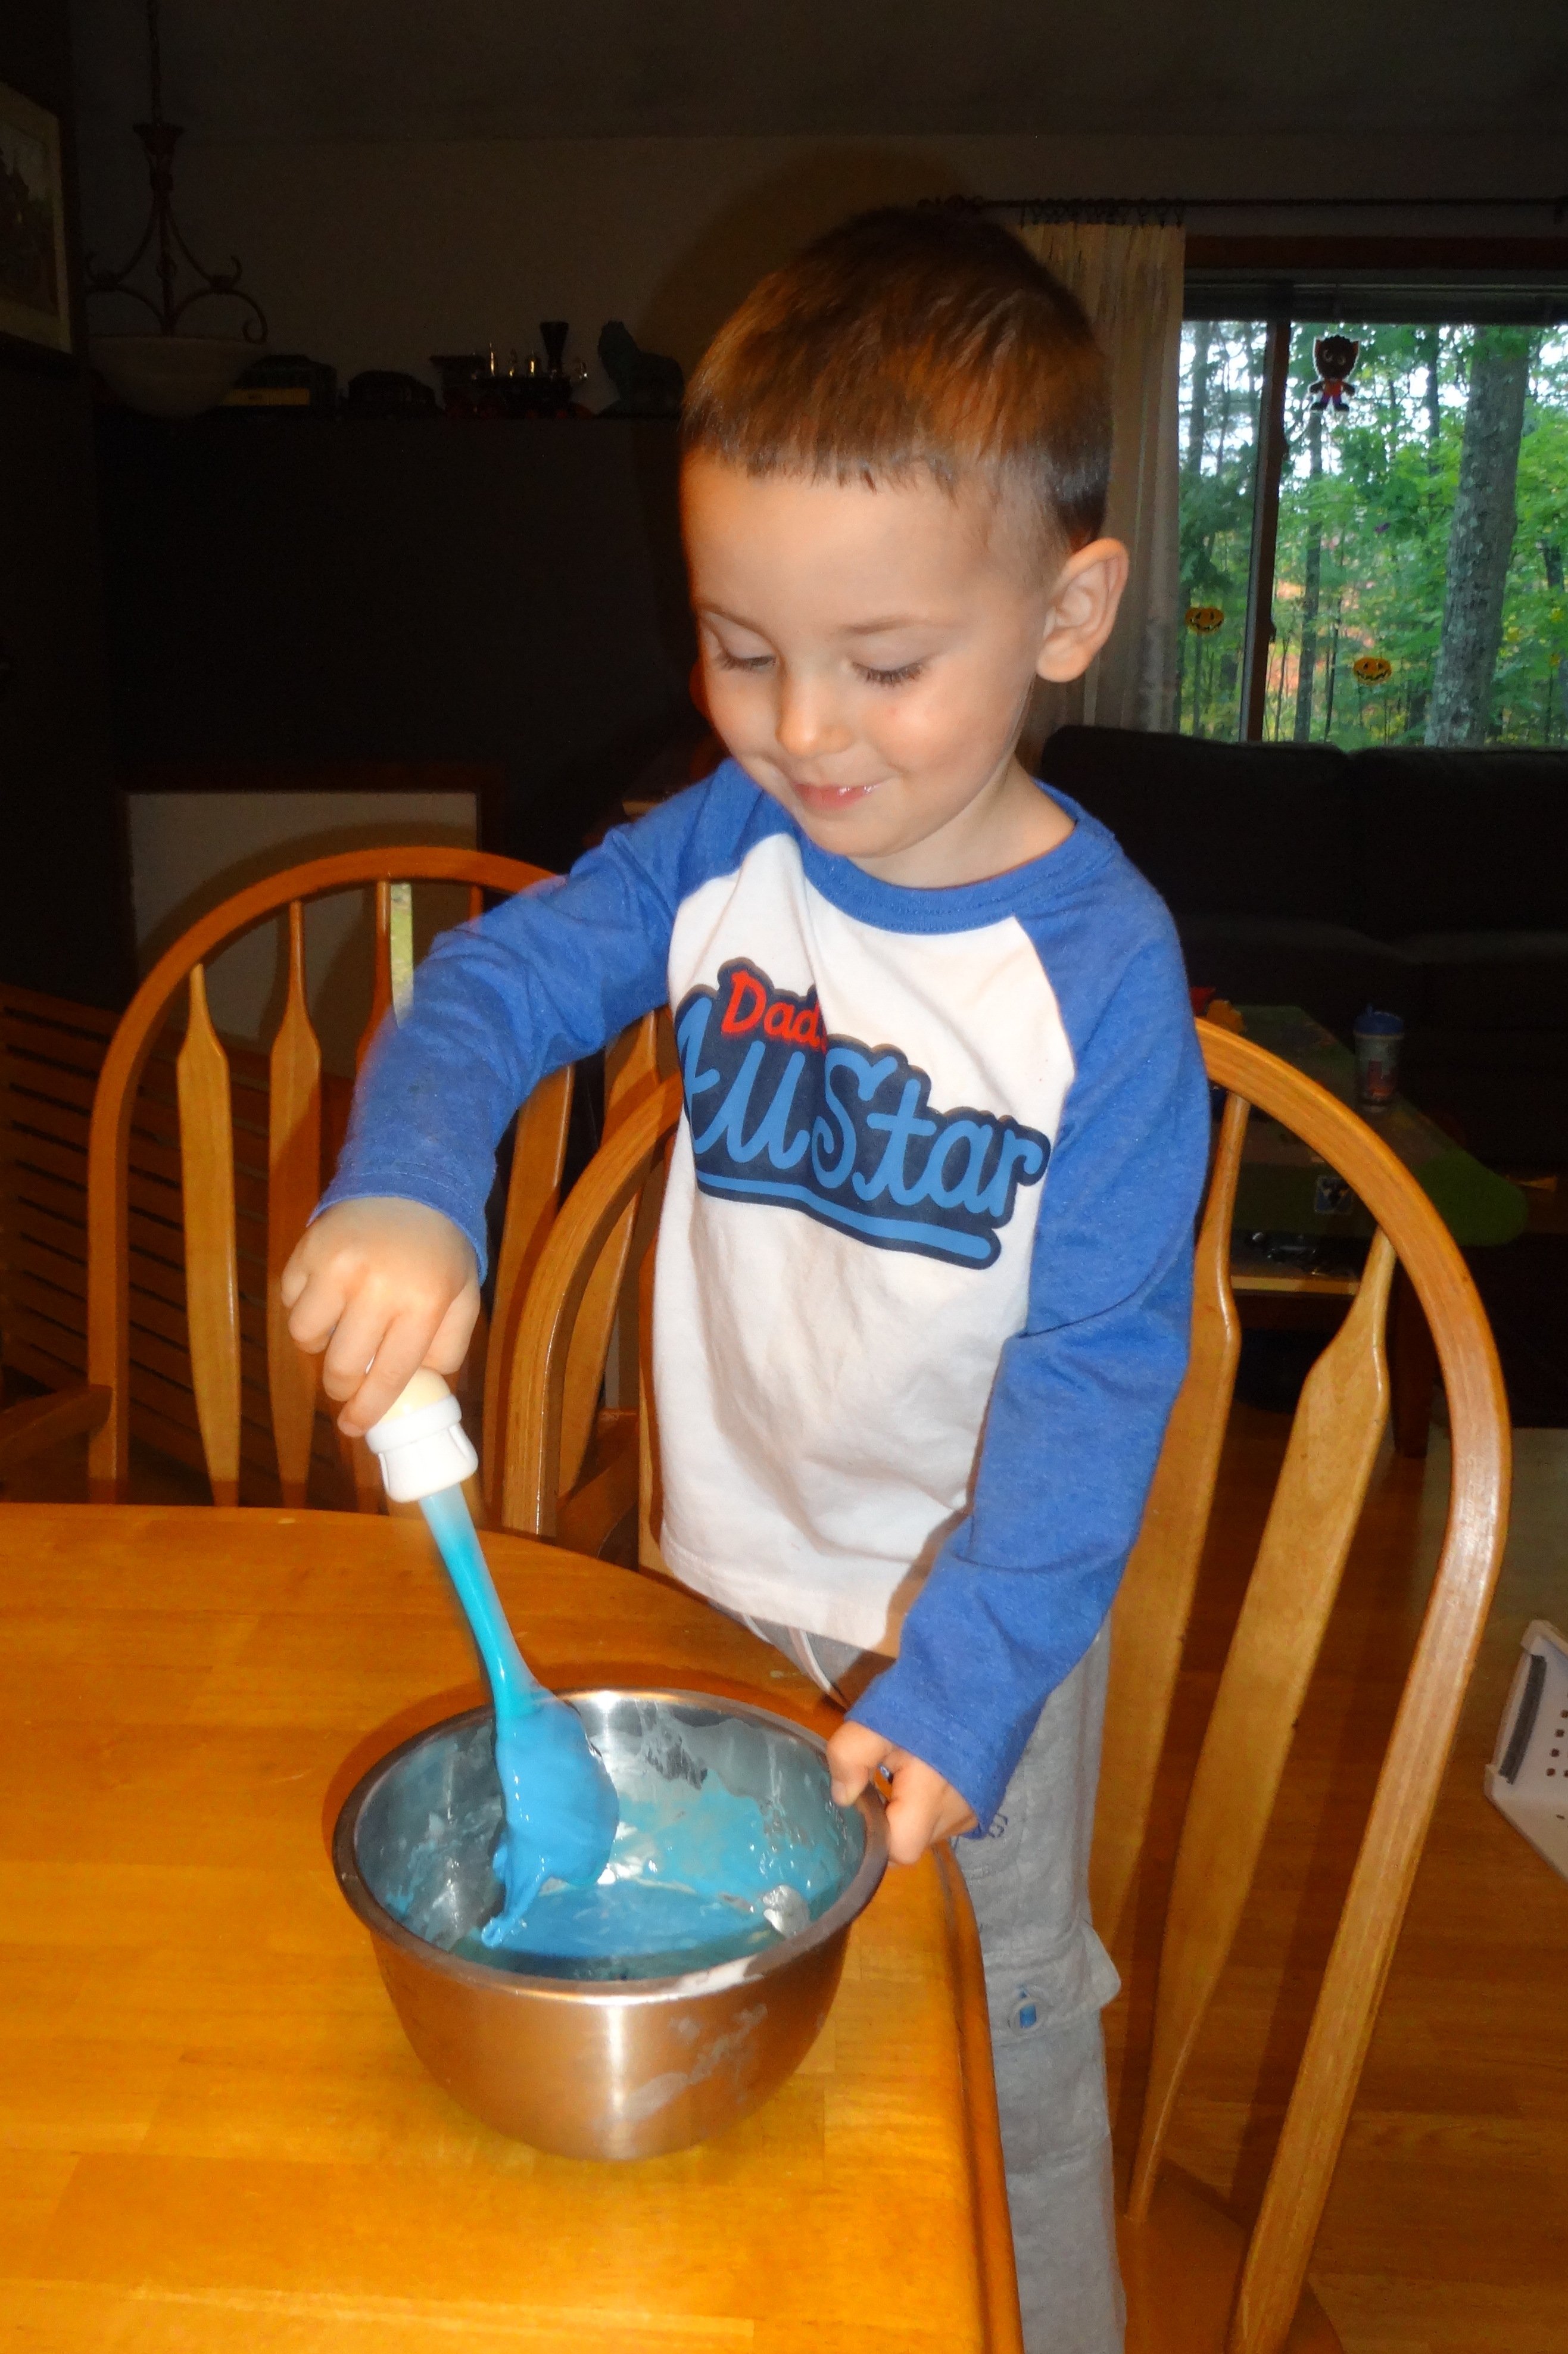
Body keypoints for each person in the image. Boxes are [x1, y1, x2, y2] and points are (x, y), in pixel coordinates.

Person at [282, 206, 1209, 2354]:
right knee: (725, 2003)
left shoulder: (1100, 979)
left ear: (1066, 612)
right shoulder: (728, 842)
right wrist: (416, 1182)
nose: (800, 730)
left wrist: (964, 1678)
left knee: (995, 2021)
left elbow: (1096, 1377)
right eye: (736, 644)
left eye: (883, 662)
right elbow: (491, 989)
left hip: (976, 1620)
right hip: (714, 1578)